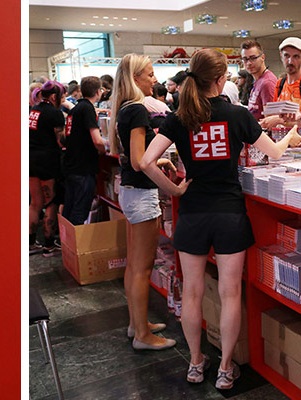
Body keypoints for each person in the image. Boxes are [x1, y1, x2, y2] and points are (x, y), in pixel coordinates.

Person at [138, 49, 301, 390]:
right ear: (220, 79)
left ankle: (196, 364)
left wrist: (176, 189)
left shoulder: (179, 116)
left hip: (194, 212)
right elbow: (273, 152)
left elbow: (145, 162)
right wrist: (291, 135)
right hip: (229, 211)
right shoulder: (236, 114)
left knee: (192, 294)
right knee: (230, 294)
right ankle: (226, 369)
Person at [111, 54, 178, 351]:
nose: (155, 80)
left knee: (133, 266)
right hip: (141, 192)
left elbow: (132, 157)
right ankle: (142, 335)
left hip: (129, 191)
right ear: (136, 78)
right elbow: (140, 162)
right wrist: (172, 188)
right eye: (150, 75)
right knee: (142, 267)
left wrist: (159, 158)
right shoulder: (137, 109)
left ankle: (136, 324)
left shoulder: (124, 108)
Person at [62, 76, 108, 225]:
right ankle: (75, 247)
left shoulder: (75, 109)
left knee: (69, 208)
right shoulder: (87, 109)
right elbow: (97, 140)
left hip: (71, 165)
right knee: (80, 211)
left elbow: (65, 135)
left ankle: (67, 244)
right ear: (99, 91)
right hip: (83, 167)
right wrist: (106, 148)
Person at [29, 81, 66, 256]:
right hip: (47, 161)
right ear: (53, 97)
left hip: (30, 159)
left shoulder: (33, 110)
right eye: (62, 96)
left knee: (35, 203)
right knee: (51, 202)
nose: (63, 99)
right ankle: (49, 245)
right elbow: (61, 140)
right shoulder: (54, 113)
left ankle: (30, 244)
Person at [260, 37, 301, 129]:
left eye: (296, 56)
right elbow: (272, 115)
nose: (290, 61)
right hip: (281, 141)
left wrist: (279, 121)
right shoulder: (280, 83)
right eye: (286, 56)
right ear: (281, 56)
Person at [240, 39, 278, 119]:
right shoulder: (258, 80)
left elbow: (270, 120)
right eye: (245, 59)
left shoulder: (267, 82)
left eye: (253, 58)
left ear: (262, 57)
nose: (249, 63)